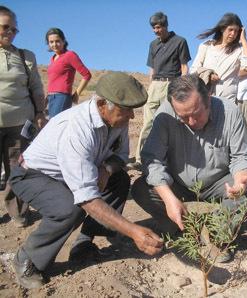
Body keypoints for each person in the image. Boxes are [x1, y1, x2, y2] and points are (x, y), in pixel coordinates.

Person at [9, 72, 163, 289]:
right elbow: (87, 199)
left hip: (74, 173)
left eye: (132, 109)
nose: (132, 116)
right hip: (32, 175)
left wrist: (107, 169)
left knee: (119, 180)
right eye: (126, 110)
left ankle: (84, 244)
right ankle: (28, 259)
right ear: (102, 104)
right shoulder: (76, 128)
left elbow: (120, 156)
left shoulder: (117, 118)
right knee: (68, 209)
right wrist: (133, 231)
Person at [131, 74, 247, 240]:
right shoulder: (165, 115)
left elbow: (242, 156)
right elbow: (152, 160)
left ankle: (216, 234)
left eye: (196, 114)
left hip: (218, 185)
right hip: (178, 185)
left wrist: (240, 182)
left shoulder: (230, 112)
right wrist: (169, 199)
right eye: (183, 117)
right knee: (141, 189)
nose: (191, 122)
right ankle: (180, 228)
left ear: (208, 98)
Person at [0, 5, 46, 227]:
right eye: (4, 27)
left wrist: (39, 113)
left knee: (16, 169)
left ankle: (17, 212)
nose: (9, 32)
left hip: (19, 123)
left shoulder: (25, 56)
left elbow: (36, 88)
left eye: (14, 29)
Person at [133, 12, 191, 170]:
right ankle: (140, 158)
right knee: (147, 123)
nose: (155, 31)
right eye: (153, 28)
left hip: (172, 84)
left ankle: (172, 159)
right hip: (155, 85)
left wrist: (182, 87)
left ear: (165, 25)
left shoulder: (180, 41)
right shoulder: (153, 45)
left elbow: (184, 67)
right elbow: (151, 69)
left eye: (158, 27)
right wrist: (149, 86)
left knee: (171, 122)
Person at [190, 13, 247, 102]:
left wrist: (244, 39)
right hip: (204, 99)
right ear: (222, 29)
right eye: (230, 30)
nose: (233, 34)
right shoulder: (206, 46)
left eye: (236, 31)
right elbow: (193, 69)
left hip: (227, 101)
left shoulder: (239, 49)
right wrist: (207, 75)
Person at [45, 27, 91, 118]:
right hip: (51, 97)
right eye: (51, 42)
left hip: (61, 97)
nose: (54, 44)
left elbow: (87, 74)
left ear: (64, 41)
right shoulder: (53, 58)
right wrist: (47, 97)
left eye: (57, 41)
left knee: (56, 126)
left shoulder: (70, 55)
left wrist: (77, 94)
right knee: (52, 126)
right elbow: (53, 80)